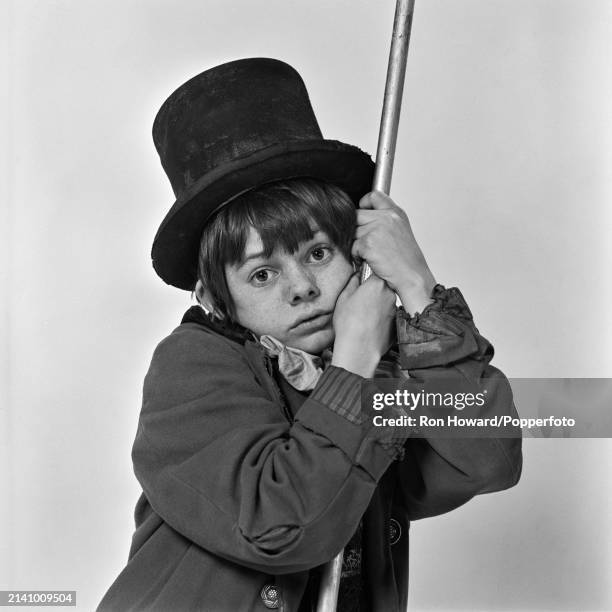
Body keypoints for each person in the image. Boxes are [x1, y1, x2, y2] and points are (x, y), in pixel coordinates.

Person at [98, 57, 522, 612]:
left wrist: (418, 289)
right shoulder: (194, 364)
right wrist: (350, 366)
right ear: (212, 297)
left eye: (318, 253)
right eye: (262, 273)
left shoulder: (382, 364)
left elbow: (488, 460)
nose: (302, 288)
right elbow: (280, 528)